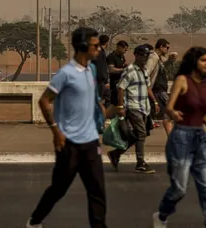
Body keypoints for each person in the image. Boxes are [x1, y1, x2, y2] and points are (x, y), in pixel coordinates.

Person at [26, 27, 109, 228]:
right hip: (69, 143)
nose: (99, 49)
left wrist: (101, 118)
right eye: (95, 46)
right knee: (59, 188)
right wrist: (56, 131)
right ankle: (34, 221)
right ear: (82, 47)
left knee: (97, 191)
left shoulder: (91, 69)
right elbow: (44, 101)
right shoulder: (65, 74)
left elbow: (91, 100)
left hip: (90, 142)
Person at [153, 47, 206, 228]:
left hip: (200, 138)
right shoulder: (182, 80)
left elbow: (205, 116)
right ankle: (162, 215)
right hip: (181, 137)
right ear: (194, 61)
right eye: (203, 60)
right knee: (179, 189)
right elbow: (169, 107)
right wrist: (173, 113)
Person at [107, 45, 160, 174]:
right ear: (136, 55)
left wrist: (155, 101)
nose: (144, 58)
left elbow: (147, 87)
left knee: (137, 135)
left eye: (146, 56)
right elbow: (121, 88)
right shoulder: (130, 70)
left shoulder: (143, 71)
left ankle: (116, 153)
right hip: (133, 106)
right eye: (142, 56)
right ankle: (140, 163)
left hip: (144, 107)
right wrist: (120, 107)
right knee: (141, 133)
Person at [145, 39, 177, 135]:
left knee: (167, 115)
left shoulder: (159, 58)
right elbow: (146, 73)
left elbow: (165, 67)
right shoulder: (153, 57)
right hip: (157, 90)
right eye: (167, 47)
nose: (167, 49)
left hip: (160, 90)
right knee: (170, 112)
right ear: (161, 47)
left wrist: (171, 59)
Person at [106, 40, 129, 106]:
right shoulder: (111, 56)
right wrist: (123, 70)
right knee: (115, 102)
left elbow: (123, 63)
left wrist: (126, 65)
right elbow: (111, 69)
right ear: (119, 47)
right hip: (114, 83)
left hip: (121, 81)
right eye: (124, 50)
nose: (125, 52)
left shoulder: (121, 56)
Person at [92, 34, 110, 107]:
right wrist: (105, 80)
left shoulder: (99, 52)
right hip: (99, 81)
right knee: (97, 99)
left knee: (108, 96)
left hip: (98, 80)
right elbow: (100, 68)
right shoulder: (100, 53)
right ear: (106, 42)